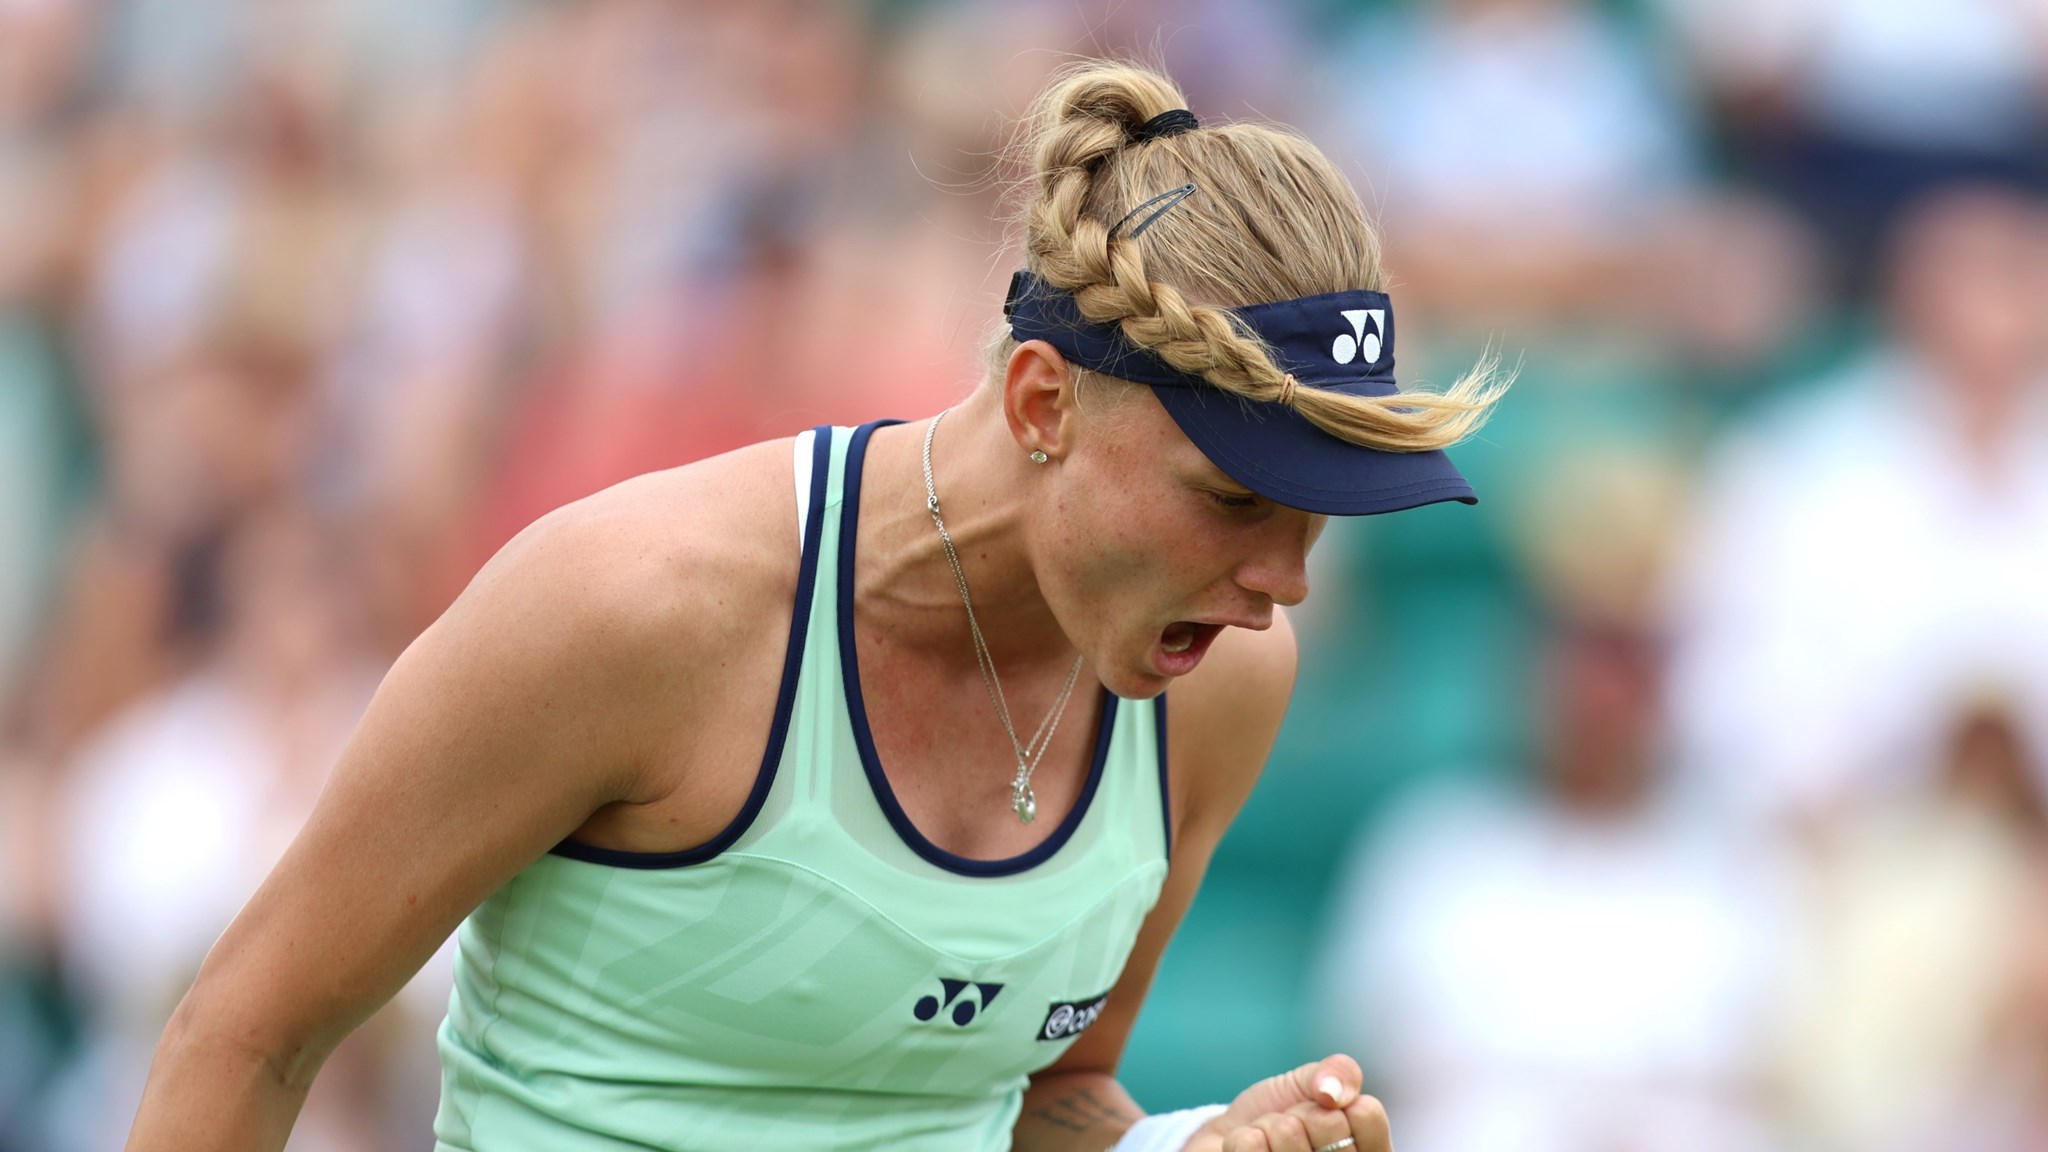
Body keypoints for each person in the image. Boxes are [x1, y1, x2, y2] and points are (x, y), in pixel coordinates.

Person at [124, 61, 1502, 1152]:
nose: (1287, 583)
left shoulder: (1220, 685)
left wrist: (1184, 1147)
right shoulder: (627, 611)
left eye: (1320, 510)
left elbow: (1045, 1102)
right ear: (1042, 404)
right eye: (1236, 497)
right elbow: (248, 1040)